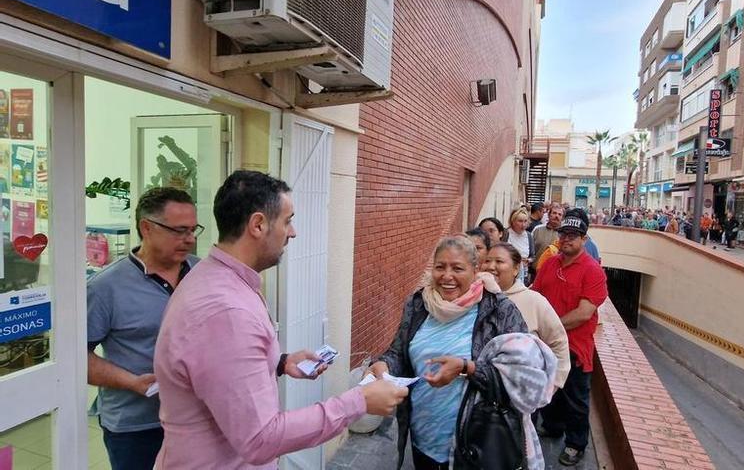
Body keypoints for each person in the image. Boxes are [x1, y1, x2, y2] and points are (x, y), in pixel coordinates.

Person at [153, 171, 407, 468]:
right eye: (287, 221)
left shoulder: (218, 278)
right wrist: (358, 402)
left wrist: (279, 362)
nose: (293, 232)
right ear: (258, 224)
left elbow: (218, 371)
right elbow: (260, 439)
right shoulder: (226, 311)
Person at [368, 235, 528, 469]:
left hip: (476, 441)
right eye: (440, 267)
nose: (447, 276)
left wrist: (467, 368)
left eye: (457, 268)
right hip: (424, 435)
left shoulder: (498, 310)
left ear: (475, 270)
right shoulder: (418, 304)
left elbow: (521, 373)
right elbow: (398, 352)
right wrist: (383, 365)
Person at [87, 187, 201, 470]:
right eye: (179, 230)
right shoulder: (104, 287)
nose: (189, 239)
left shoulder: (204, 274)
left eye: (193, 230)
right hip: (136, 427)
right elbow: (74, 358)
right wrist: (132, 382)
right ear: (146, 228)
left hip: (196, 418)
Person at [533, 214, 608, 467]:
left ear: (584, 239)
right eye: (563, 234)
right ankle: (553, 427)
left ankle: (576, 444)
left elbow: (584, 314)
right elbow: (535, 295)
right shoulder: (550, 264)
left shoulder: (593, 270)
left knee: (576, 398)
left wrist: (549, 328)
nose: (566, 239)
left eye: (573, 236)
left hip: (575, 347)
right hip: (547, 344)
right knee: (550, 390)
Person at [482, 242, 570, 390]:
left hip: (520, 398)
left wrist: (550, 387)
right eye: (487, 261)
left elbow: (559, 344)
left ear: (516, 269)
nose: (491, 266)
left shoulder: (535, 301)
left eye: (499, 261)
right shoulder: (476, 298)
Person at [502, 207, 535, 282]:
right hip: (507, 273)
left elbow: (533, 256)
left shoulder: (529, 236)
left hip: (523, 275)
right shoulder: (506, 234)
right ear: (513, 221)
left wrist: (528, 260)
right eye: (520, 221)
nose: (523, 225)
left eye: (525, 221)